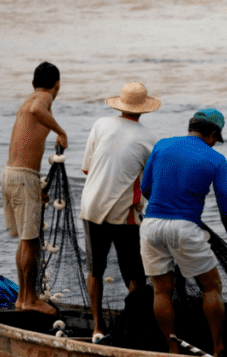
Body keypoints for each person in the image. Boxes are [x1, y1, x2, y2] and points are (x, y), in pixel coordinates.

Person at [139, 108, 227, 357]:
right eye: (215, 138)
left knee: (161, 291)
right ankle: (218, 348)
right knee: (211, 287)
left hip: (150, 224)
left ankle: (173, 348)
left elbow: (145, 186)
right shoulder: (215, 158)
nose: (214, 143)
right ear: (212, 134)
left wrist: (164, 206)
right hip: (185, 228)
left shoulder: (162, 145)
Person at [79, 82, 161, 342]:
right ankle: (133, 326)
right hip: (123, 213)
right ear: (144, 110)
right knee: (135, 274)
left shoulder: (100, 125)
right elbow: (151, 185)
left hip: (91, 205)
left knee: (95, 270)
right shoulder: (150, 140)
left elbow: (88, 169)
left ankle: (97, 327)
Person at [1, 61, 68, 314]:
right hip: (21, 177)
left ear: (33, 82)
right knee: (30, 241)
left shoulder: (29, 96)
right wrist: (61, 132)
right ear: (57, 84)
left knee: (26, 241)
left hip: (11, 174)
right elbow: (36, 109)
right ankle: (29, 300)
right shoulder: (41, 98)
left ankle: (23, 298)